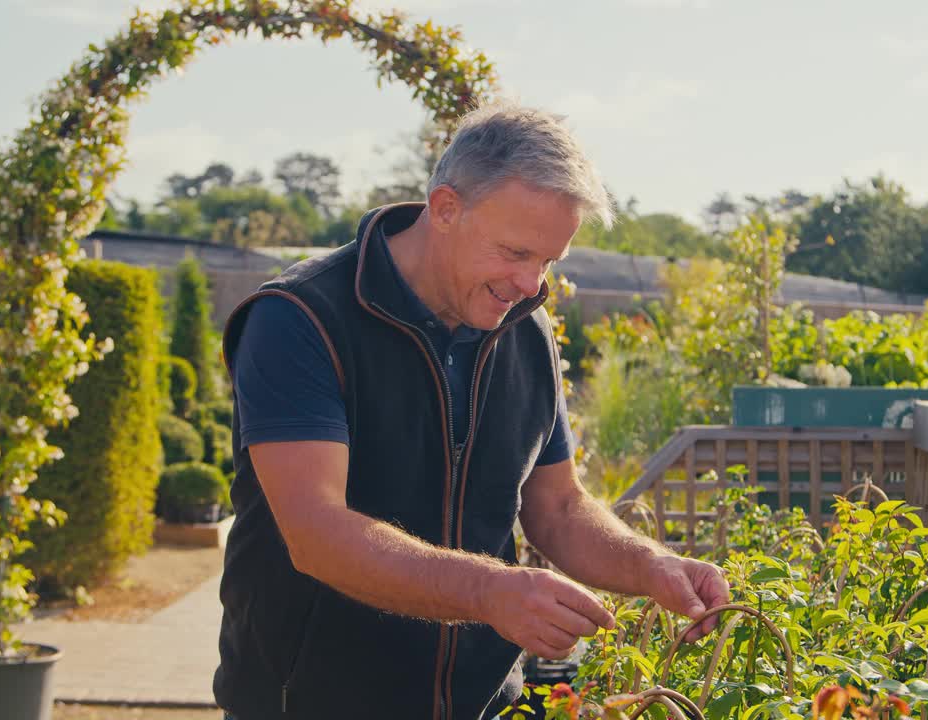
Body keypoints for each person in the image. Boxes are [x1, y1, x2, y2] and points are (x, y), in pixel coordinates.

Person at [214, 102, 730, 720]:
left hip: (485, 706)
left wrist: (653, 566)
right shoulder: (300, 320)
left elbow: (559, 509)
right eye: (514, 252)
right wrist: (491, 591)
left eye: (547, 261)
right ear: (446, 209)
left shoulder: (527, 334)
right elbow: (318, 535)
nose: (530, 282)